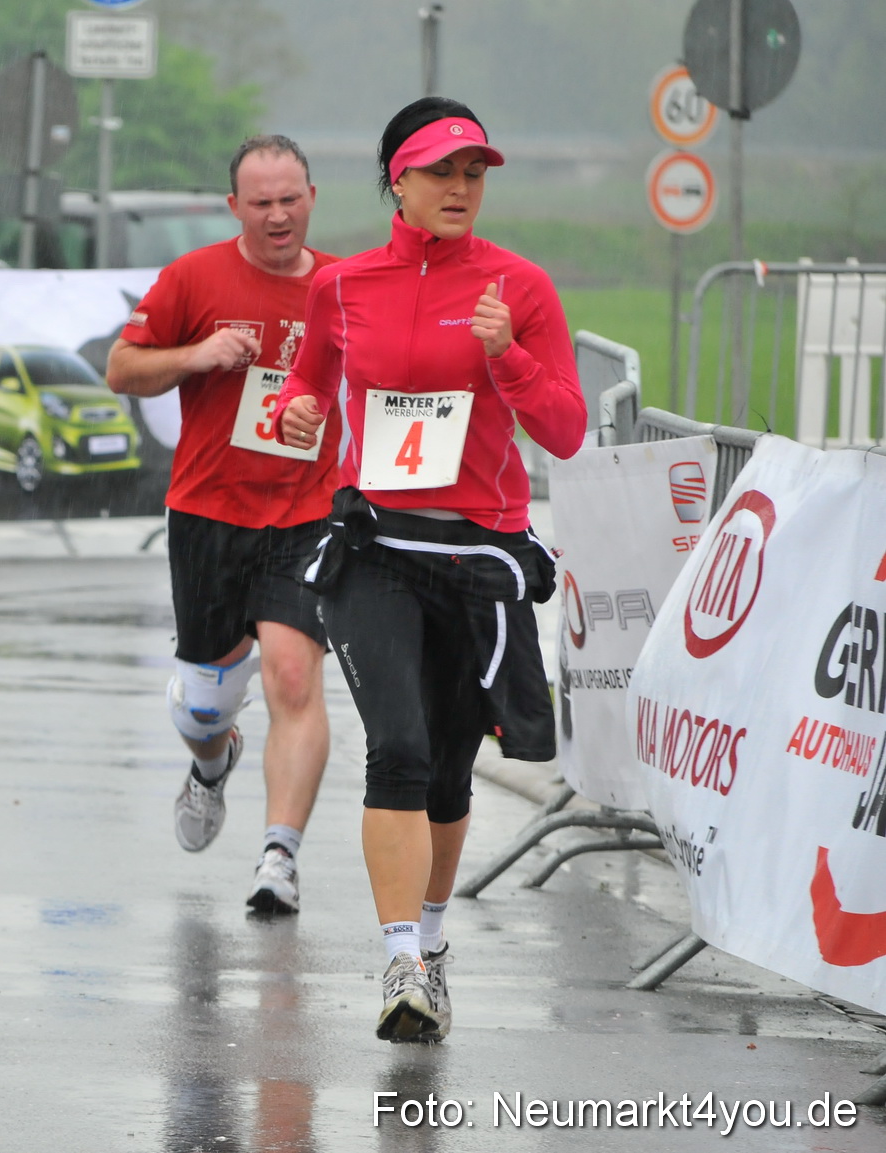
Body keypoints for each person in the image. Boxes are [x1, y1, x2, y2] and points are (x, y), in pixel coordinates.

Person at [275, 98, 584, 1040]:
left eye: (474, 173)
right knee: (397, 749)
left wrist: (506, 356)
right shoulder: (342, 287)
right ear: (396, 182)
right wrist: (297, 414)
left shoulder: (517, 287)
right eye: (441, 172)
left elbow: (565, 429)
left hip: (478, 554)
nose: (459, 188)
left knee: (448, 775)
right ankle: (400, 958)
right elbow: (308, 385)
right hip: (376, 548)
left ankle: (434, 947)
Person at [107, 135, 341, 914]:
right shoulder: (194, 276)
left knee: (292, 674)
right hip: (209, 512)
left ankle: (279, 854)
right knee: (204, 705)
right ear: (234, 206)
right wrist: (197, 354)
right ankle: (211, 763)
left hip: (307, 512)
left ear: (312, 196)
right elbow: (122, 367)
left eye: (290, 198)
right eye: (261, 202)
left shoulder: (344, 286)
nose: (278, 216)